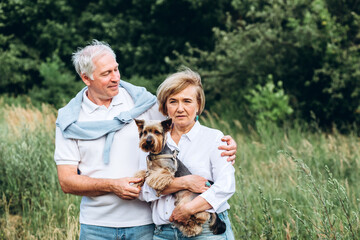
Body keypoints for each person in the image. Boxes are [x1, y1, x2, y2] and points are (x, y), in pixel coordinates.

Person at [54, 40, 237, 240]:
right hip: (96, 224)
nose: (116, 78)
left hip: (144, 224)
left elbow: (180, 116)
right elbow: (67, 181)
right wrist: (112, 185)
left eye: (116, 69)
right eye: (107, 74)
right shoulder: (70, 121)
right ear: (86, 78)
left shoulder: (142, 103)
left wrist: (222, 142)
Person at [140, 68, 236, 239]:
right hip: (164, 233)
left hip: (206, 230)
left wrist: (188, 209)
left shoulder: (214, 138)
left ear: (198, 105)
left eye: (187, 101)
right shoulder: (152, 142)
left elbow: (226, 186)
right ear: (164, 106)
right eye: (173, 101)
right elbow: (144, 191)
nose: (180, 108)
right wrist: (185, 182)